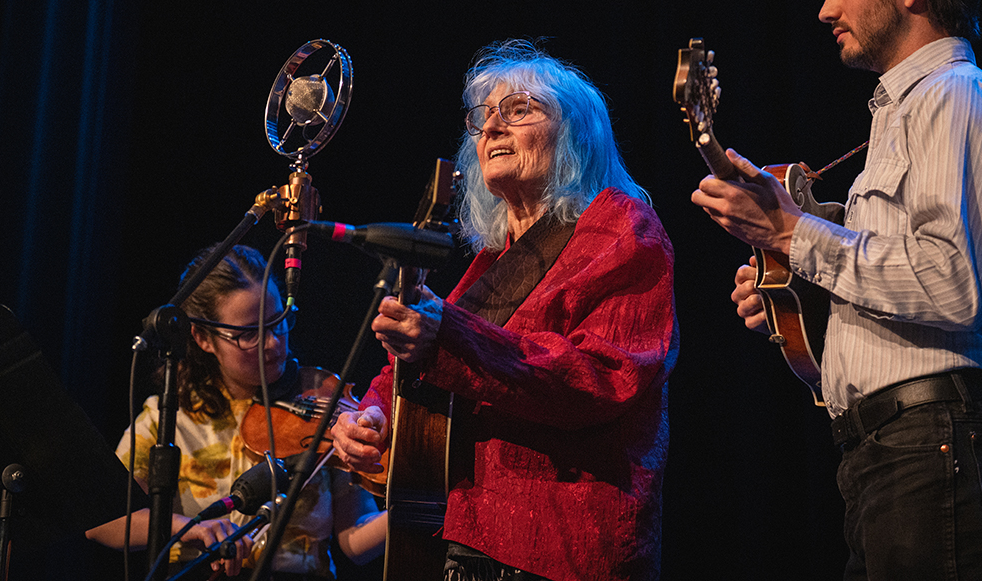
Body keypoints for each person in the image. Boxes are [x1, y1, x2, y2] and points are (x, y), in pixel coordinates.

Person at [691, 0, 982, 579]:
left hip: (941, 452)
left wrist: (796, 234)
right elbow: (903, 280)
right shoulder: (908, 115)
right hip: (900, 459)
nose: (825, 9)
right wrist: (793, 298)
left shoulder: (956, 99)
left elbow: (952, 285)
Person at [332, 40, 678, 581]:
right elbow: (428, 359)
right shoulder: (495, 260)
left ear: (576, 136)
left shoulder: (621, 227)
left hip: (562, 546)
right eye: (484, 117)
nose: (491, 128)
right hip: (466, 541)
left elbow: (603, 376)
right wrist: (369, 416)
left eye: (519, 110)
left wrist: (444, 333)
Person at [86, 244, 386, 579]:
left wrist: (416, 506)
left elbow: (355, 540)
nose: (273, 343)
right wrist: (189, 528)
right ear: (202, 338)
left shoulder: (324, 399)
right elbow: (102, 522)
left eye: (278, 322)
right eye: (249, 334)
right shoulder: (167, 418)